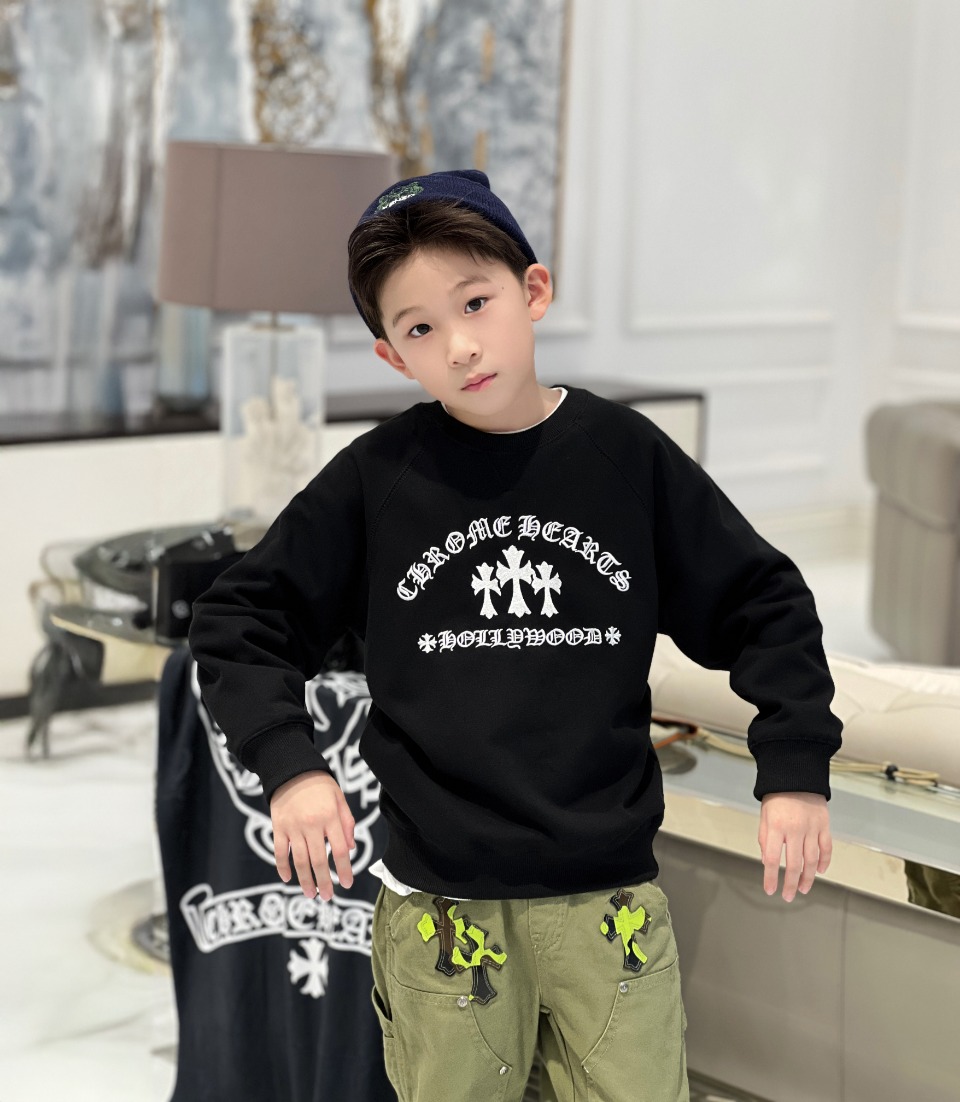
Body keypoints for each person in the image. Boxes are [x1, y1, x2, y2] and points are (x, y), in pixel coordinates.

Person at [188, 168, 843, 1101]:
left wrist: (795, 767)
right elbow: (240, 616)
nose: (460, 345)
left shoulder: (625, 457)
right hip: (439, 910)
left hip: (607, 902)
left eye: (475, 303)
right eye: (420, 329)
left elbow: (763, 599)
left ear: (532, 291)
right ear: (391, 357)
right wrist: (292, 769)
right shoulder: (378, 479)